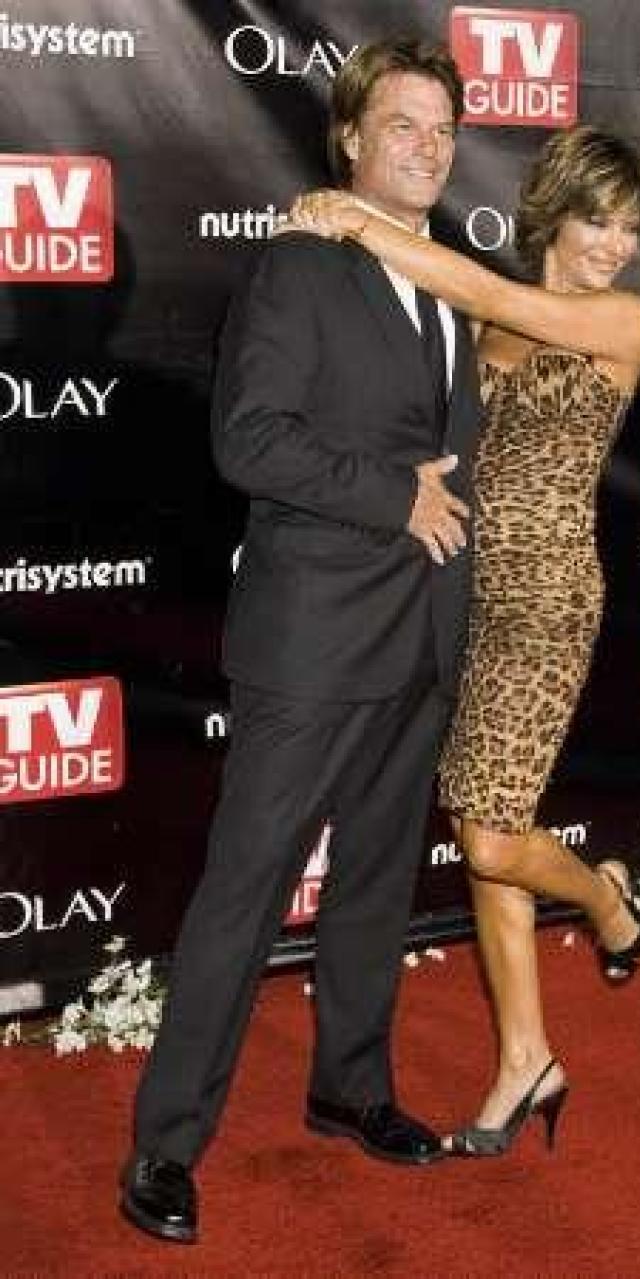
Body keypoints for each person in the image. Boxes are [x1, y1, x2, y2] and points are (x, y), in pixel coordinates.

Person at [119, 38, 482, 1244]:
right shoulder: (298, 264)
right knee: (245, 891)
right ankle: (167, 1144)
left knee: (376, 883)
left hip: (422, 636)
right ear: (351, 138)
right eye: (402, 124)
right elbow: (250, 438)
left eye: (442, 128)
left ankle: (350, 1087)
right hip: (314, 641)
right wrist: (392, 497)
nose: (426, 146)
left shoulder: (457, 274)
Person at [284, 123, 640, 1157]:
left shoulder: (622, 319)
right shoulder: (478, 328)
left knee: (491, 839)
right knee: (495, 819)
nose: (615, 244)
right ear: (554, 214)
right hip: (456, 601)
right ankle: (524, 1057)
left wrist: (356, 219)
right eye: (598, 219)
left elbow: (485, 289)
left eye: (630, 226)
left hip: (544, 600)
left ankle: (609, 900)